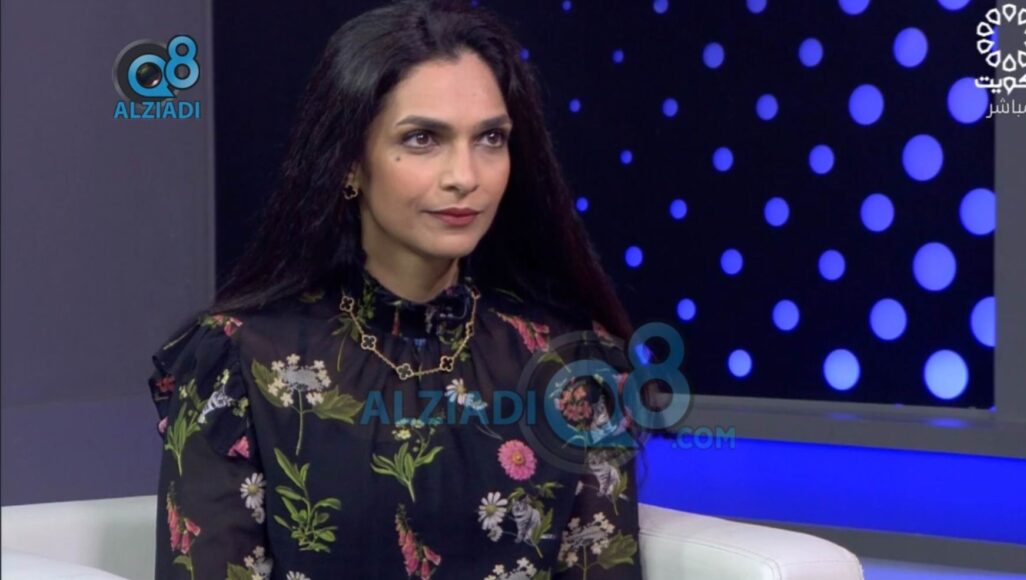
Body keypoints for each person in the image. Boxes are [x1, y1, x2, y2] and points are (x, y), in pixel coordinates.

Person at [146, 0, 652, 578]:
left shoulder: (571, 364)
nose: (465, 176)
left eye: (490, 138)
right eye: (422, 139)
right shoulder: (237, 362)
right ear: (349, 162)